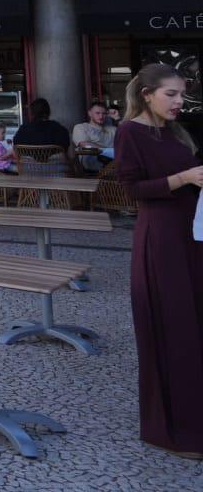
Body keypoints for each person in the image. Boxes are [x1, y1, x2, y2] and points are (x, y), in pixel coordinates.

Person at [115, 63, 203, 459]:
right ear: (147, 94)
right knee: (175, 330)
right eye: (172, 94)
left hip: (191, 235)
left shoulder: (173, 131)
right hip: (162, 240)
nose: (179, 101)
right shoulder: (130, 131)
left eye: (182, 95)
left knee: (194, 327)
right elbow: (131, 189)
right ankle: (174, 431)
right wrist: (183, 179)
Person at [72, 100, 117, 171]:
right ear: (90, 113)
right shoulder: (81, 127)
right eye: (97, 113)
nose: (101, 116)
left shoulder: (113, 129)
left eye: (104, 113)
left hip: (114, 161)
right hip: (94, 160)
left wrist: (118, 119)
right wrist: (108, 151)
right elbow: (84, 144)